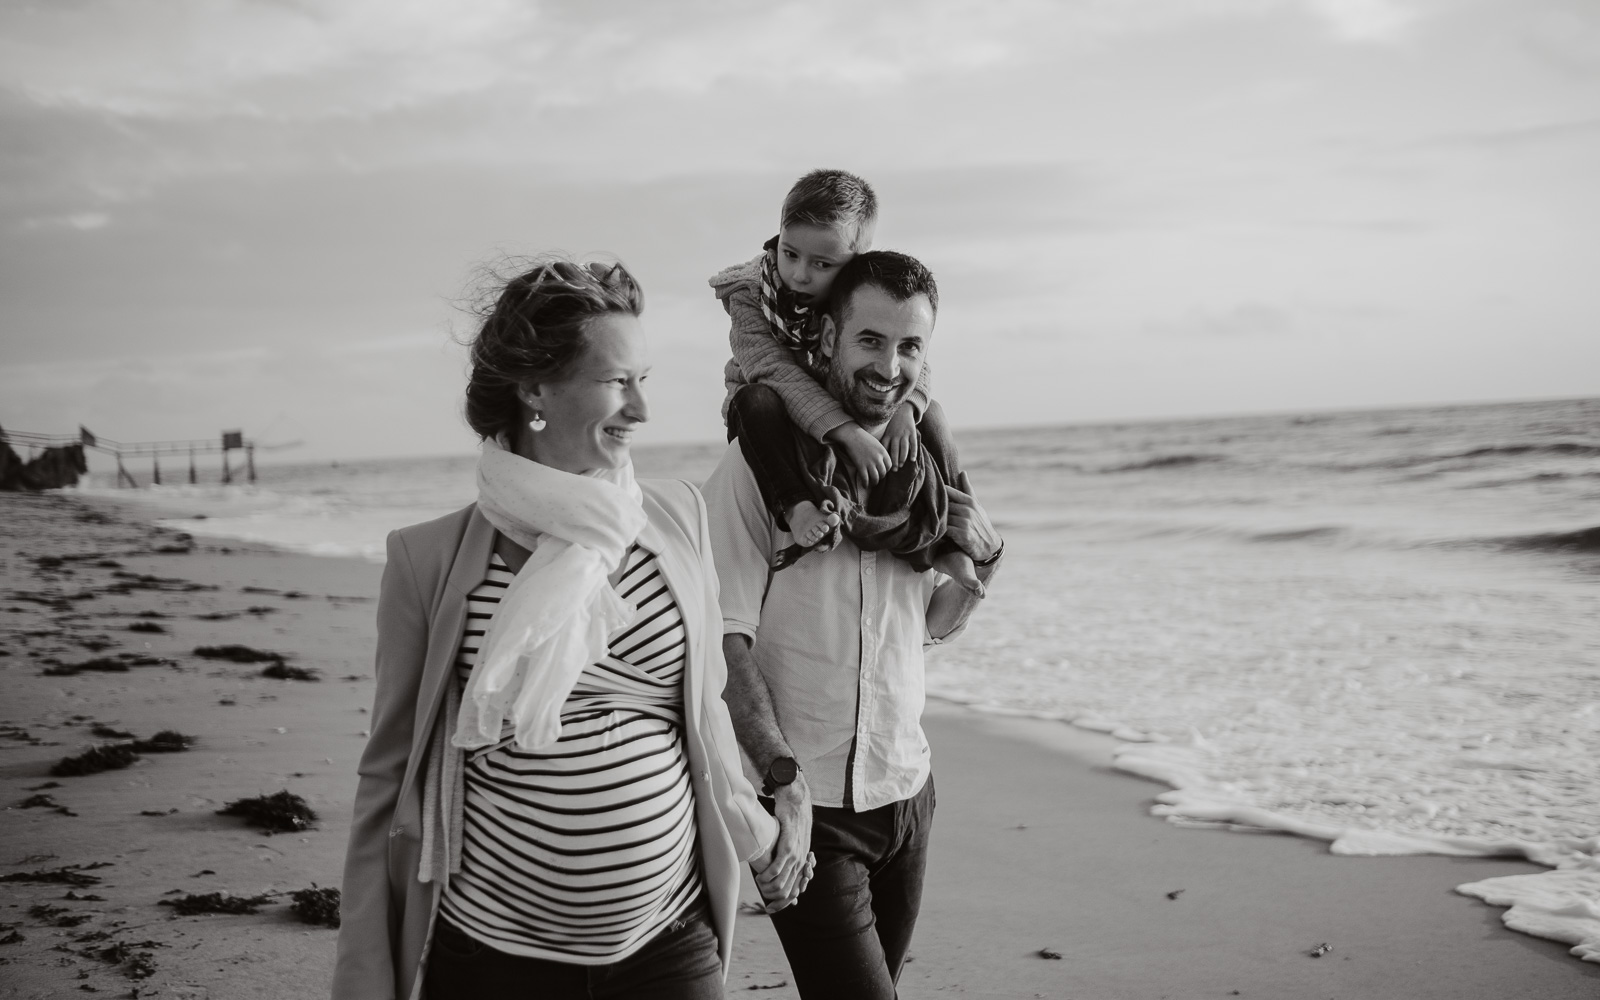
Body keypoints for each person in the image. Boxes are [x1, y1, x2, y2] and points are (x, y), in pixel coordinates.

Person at [331, 258, 805, 1000]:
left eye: (643, 379)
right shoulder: (427, 561)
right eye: (618, 381)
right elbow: (387, 781)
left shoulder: (678, 519)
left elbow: (705, 715)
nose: (642, 410)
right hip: (492, 955)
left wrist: (758, 830)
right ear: (533, 388)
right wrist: (362, 978)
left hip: (669, 941)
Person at [705, 251, 1005, 999]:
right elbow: (724, 640)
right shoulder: (760, 472)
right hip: (812, 814)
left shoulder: (922, 477)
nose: (890, 365)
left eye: (910, 347)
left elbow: (928, 626)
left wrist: (984, 564)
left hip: (908, 796)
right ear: (830, 336)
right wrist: (781, 783)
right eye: (870, 340)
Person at [710, 168, 982, 593]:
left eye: (822, 263)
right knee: (757, 400)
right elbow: (773, 370)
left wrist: (906, 411)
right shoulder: (751, 294)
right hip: (770, 416)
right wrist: (849, 432)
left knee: (934, 415)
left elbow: (915, 355)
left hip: (837, 402)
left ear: (852, 262)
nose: (799, 274)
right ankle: (796, 507)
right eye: (790, 253)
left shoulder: (855, 298)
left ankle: (947, 539)